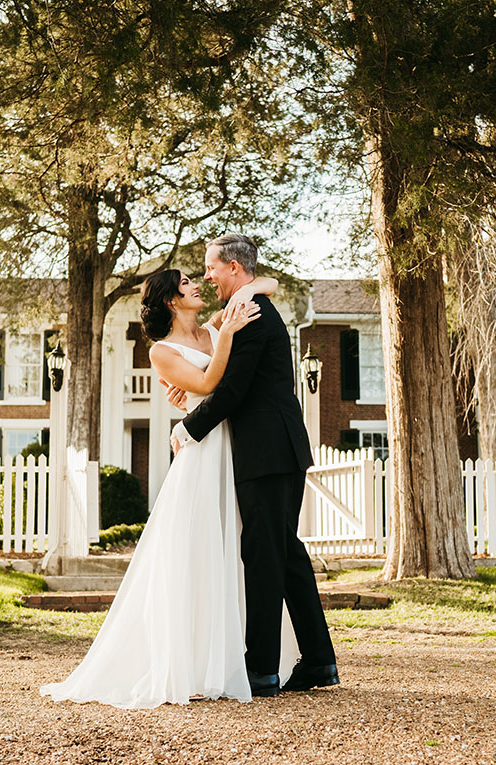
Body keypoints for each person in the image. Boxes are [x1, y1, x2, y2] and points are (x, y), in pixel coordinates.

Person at [40, 268, 282, 709]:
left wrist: (246, 291)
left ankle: (232, 660)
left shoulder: (214, 328)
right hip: (201, 456)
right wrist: (227, 334)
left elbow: (271, 285)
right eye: (188, 282)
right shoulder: (162, 352)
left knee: (237, 551)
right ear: (171, 299)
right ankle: (188, 665)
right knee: (196, 554)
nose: (197, 285)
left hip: (236, 449)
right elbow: (209, 385)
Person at [169, 233, 338, 697]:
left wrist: (188, 428)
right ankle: (320, 661)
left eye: (211, 268)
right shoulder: (250, 306)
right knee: (284, 552)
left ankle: (261, 668)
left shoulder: (249, 313)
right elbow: (225, 379)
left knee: (263, 555)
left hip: (266, 452)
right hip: (281, 448)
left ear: (234, 270)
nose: (207, 275)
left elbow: (233, 390)